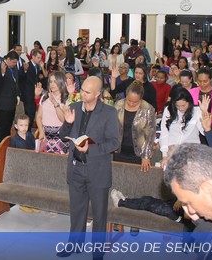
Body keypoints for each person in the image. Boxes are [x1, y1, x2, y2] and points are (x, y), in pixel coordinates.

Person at [58, 76, 120, 253]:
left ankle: (97, 251)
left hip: (97, 170)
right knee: (77, 210)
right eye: (82, 90)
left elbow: (114, 143)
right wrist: (68, 123)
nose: (82, 94)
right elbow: (63, 136)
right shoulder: (75, 107)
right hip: (76, 167)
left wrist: (90, 149)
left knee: (99, 214)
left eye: (87, 92)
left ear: (97, 94)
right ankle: (75, 245)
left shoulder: (109, 113)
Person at [113, 81, 156, 171]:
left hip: (139, 153)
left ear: (141, 98)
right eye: (129, 100)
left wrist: (146, 156)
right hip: (119, 151)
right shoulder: (118, 105)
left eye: (135, 102)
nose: (131, 104)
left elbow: (150, 135)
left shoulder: (148, 109)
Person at [159, 87, 203, 160]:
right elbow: (164, 132)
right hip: (172, 151)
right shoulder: (168, 110)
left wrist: (204, 115)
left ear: (189, 102)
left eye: (183, 105)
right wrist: (164, 155)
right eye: (177, 106)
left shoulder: (197, 111)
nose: (180, 109)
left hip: (191, 151)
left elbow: (204, 132)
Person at [0, 51, 21, 149]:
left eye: (16, 62)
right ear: (8, 59)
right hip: (2, 103)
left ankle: (6, 145)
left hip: (12, 102)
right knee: (1, 127)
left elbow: (16, 83)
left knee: (8, 126)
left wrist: (17, 95)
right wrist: (2, 73)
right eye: (13, 62)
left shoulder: (14, 68)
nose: (14, 64)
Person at [36, 71, 69, 154]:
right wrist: (41, 131)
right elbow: (39, 116)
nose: (52, 84)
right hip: (45, 135)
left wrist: (55, 103)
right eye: (50, 82)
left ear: (61, 82)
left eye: (55, 81)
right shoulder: (44, 97)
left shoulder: (66, 98)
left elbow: (63, 119)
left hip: (60, 136)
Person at [189, 67, 212, 134]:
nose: (202, 84)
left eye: (205, 81)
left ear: (211, 79)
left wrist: (208, 115)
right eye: (199, 81)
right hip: (194, 129)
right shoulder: (191, 93)